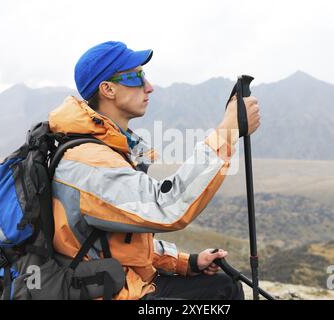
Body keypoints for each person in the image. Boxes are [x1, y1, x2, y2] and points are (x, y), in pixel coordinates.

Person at [48, 41, 261, 300]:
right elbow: (166, 207)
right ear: (108, 89)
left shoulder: (105, 149)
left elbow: (122, 242)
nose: (149, 86)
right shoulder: (90, 161)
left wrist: (188, 262)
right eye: (137, 77)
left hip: (126, 284)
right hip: (109, 294)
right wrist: (227, 131)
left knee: (223, 286)